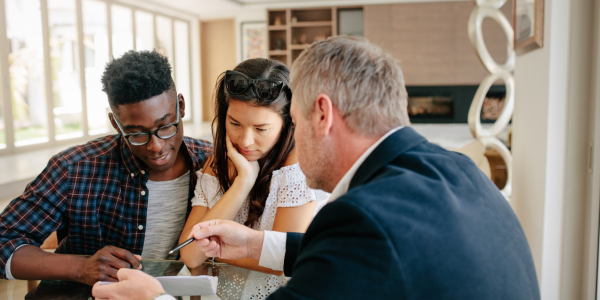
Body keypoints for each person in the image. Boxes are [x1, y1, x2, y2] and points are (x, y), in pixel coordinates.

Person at [92, 37, 540, 300]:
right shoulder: (456, 170)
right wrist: (252, 242)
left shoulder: (366, 217)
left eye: (296, 121)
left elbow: (358, 245)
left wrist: (157, 299)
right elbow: (351, 253)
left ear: (321, 115)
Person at [0, 50, 212, 285]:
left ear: (181, 107)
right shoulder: (74, 169)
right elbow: (3, 241)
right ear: (116, 124)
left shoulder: (213, 164)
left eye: (165, 126)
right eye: (136, 134)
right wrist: (80, 268)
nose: (156, 146)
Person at [178, 58, 328, 299]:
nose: (246, 141)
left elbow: (281, 261)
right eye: (234, 123)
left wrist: (213, 252)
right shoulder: (218, 163)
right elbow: (191, 255)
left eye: (261, 129)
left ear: (287, 123)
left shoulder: (298, 164)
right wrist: (243, 181)